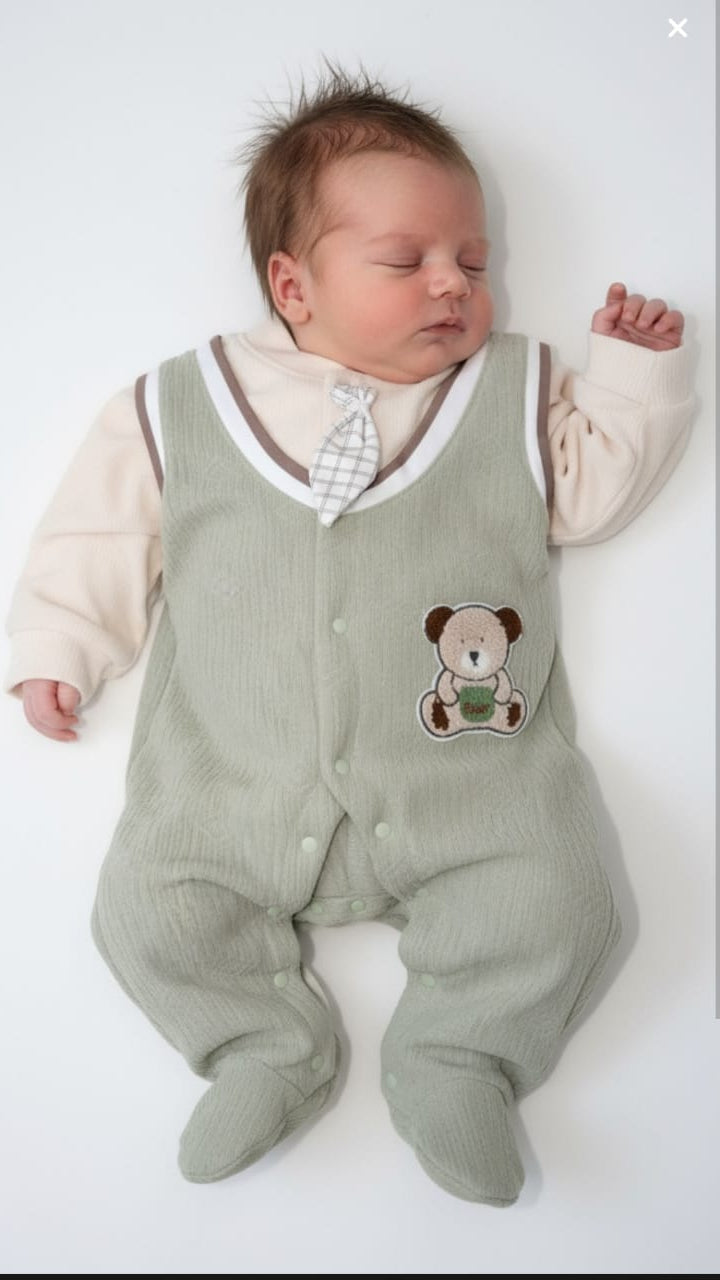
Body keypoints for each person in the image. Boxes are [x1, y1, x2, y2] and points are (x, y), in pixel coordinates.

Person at [3, 64, 694, 1205]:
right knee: (147, 912)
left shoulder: (508, 397)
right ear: (295, 283)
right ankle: (261, 1046)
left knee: (563, 899)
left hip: (474, 780)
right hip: (228, 782)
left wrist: (632, 375)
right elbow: (96, 529)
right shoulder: (184, 405)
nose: (453, 284)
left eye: (473, 262)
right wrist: (56, 649)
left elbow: (591, 492)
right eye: (406, 261)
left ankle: (461, 1053)